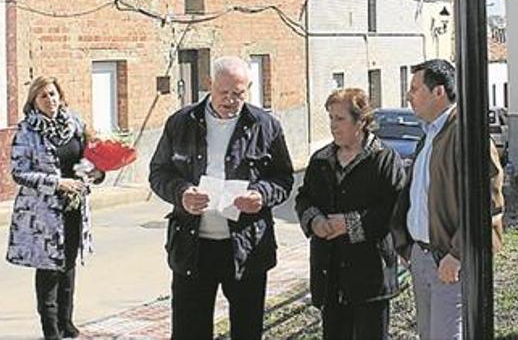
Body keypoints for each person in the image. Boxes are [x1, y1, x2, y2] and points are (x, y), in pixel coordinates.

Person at [150, 56, 294, 340]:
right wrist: (182, 193)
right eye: (223, 93)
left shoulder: (265, 126)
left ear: (249, 88)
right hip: (193, 248)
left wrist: (261, 195)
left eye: (238, 94)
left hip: (246, 247)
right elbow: (158, 173)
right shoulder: (181, 122)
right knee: (189, 331)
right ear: (210, 85)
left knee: (247, 331)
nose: (230, 100)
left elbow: (284, 179)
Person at [391, 59, 505, 340]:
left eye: (415, 89)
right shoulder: (429, 134)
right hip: (423, 256)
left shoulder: (467, 135)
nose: (409, 96)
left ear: (438, 92)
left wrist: (458, 254)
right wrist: (408, 248)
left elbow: (488, 203)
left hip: (450, 261)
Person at [295, 88, 406, 340]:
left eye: (340, 119)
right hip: (330, 273)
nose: (333, 126)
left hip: (370, 276)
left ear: (361, 121)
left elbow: (393, 209)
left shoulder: (384, 159)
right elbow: (303, 198)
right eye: (331, 118)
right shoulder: (321, 160)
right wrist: (314, 220)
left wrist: (350, 224)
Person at [6, 76, 104, 340]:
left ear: (60, 95)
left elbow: (85, 160)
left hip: (73, 208)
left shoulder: (75, 124)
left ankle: (67, 322)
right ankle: (51, 331)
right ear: (34, 102)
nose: (50, 100)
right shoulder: (26, 131)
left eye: (52, 94)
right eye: (43, 96)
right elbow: (18, 173)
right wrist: (57, 183)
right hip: (43, 214)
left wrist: (95, 172)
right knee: (49, 270)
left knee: (69, 265)